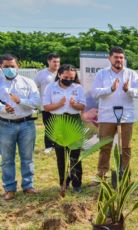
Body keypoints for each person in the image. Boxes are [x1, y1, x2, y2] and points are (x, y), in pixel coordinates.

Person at [91, 47, 138, 179]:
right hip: (106, 116)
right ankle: (102, 173)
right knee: (105, 146)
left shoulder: (131, 74)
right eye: (116, 57)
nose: (119, 60)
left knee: (125, 147)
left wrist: (129, 90)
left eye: (121, 57)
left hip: (126, 117)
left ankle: (124, 173)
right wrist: (110, 88)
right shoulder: (101, 74)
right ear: (109, 58)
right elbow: (95, 93)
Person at [0, 54, 40, 200]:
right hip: (5, 124)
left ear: (18, 66)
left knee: (27, 157)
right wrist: (4, 109)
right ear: (1, 67)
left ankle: (28, 186)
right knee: (6, 159)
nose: (10, 69)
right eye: (6, 66)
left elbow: (36, 102)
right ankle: (9, 188)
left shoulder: (28, 82)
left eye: (12, 66)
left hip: (27, 124)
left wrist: (20, 100)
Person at [43, 64, 86, 193]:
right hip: (58, 121)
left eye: (71, 77)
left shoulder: (78, 88)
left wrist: (74, 104)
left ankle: (77, 183)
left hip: (74, 121)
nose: (69, 79)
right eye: (66, 76)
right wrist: (59, 104)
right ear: (60, 75)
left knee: (75, 155)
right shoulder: (50, 87)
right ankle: (63, 183)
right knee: (60, 155)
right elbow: (46, 107)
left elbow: (82, 106)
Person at [35, 53, 61, 154]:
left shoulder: (62, 72)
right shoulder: (41, 74)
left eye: (58, 62)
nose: (57, 64)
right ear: (48, 61)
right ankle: (49, 146)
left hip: (61, 105)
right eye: (54, 61)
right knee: (49, 126)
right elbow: (34, 87)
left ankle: (59, 145)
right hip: (46, 106)